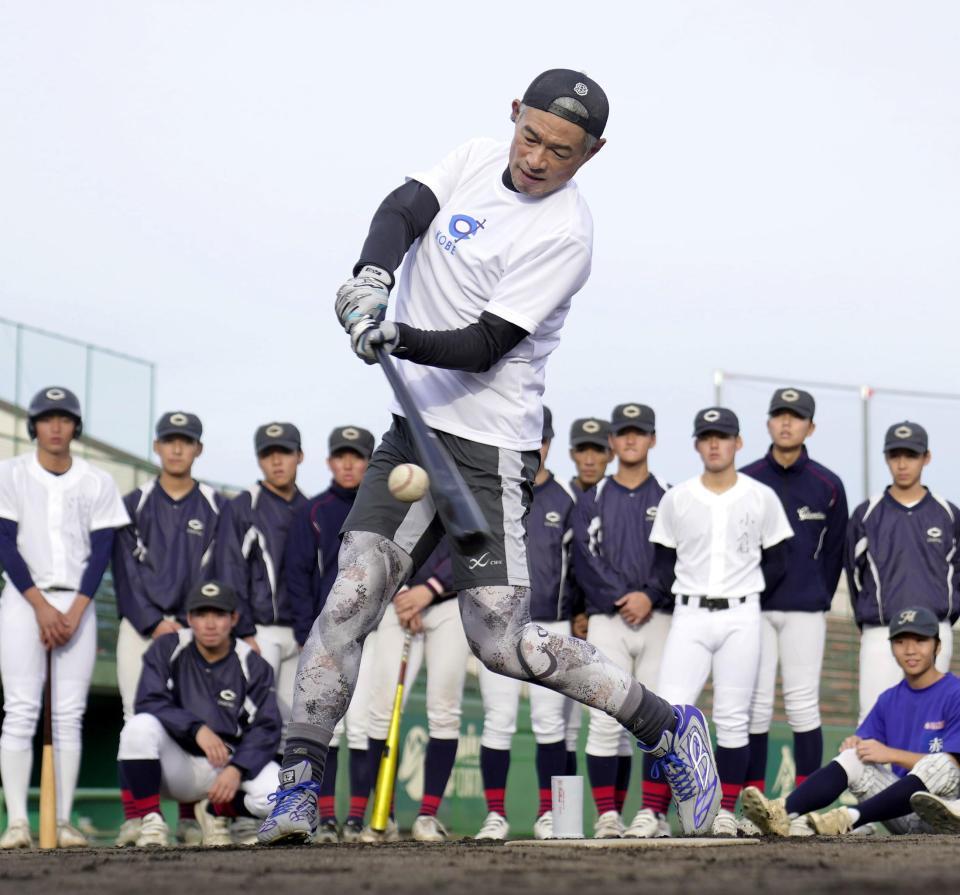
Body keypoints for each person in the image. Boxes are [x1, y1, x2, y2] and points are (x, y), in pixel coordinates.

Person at [258, 68, 721, 847]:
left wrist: (394, 333)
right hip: (414, 431)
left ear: (593, 153)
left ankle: (667, 726)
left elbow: (483, 346)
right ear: (514, 115)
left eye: (562, 151)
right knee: (349, 598)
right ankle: (298, 789)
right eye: (531, 135)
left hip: (491, 448)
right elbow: (400, 209)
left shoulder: (567, 235)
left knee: (503, 642)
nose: (538, 158)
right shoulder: (474, 156)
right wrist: (373, 277)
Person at [650, 407, 793, 837]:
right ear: (696, 443)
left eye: (723, 436)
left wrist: (747, 595)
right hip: (689, 612)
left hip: (741, 613)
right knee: (666, 713)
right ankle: (654, 811)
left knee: (733, 717)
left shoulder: (760, 495)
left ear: (738, 442)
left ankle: (727, 810)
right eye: (707, 436)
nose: (715, 443)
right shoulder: (678, 497)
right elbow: (661, 561)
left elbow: (780, 560)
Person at [0, 387, 128, 849]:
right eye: (47, 418)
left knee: (69, 716)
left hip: (78, 604)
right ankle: (16, 821)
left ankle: (63, 820)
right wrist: (39, 605)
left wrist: (73, 609)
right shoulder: (10, 473)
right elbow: (4, 544)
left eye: (65, 418)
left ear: (76, 426)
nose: (56, 426)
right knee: (20, 711)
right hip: (22, 602)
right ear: (34, 425)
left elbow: (102, 553)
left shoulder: (97, 480)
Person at [742, 606, 960, 836]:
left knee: (943, 763)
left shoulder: (955, 693)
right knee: (853, 756)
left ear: (938, 645)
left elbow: (954, 766)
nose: (910, 650)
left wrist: (890, 754)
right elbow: (862, 748)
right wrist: (855, 744)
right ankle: (782, 813)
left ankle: (852, 818)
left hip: (951, 812)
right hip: (904, 813)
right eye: (900, 641)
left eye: (920, 640)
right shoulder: (889, 699)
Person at [111, 410, 225, 845]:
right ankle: (137, 817)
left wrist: (192, 624)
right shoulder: (132, 503)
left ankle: (190, 818)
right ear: (156, 447)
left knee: (192, 716)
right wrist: (154, 622)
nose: (177, 448)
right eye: (169, 440)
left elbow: (220, 569)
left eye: (186, 440)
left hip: (194, 632)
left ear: (198, 448)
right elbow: (124, 572)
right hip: (141, 630)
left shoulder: (217, 505)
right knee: (134, 720)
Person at [474, 407, 582, 842]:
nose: (534, 446)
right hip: (499, 625)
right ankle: (495, 815)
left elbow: (581, 567)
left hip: (552, 622)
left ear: (549, 443)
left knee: (550, 723)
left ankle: (549, 814)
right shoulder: (493, 490)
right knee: (497, 720)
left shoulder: (565, 499)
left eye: (541, 439)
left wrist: (583, 609)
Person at [739, 389, 847, 812]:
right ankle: (754, 806)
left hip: (805, 609)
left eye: (796, 417)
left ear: (810, 427)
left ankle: (801, 807)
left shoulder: (827, 484)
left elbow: (835, 551)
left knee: (803, 705)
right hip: (756, 609)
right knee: (756, 707)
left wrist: (818, 594)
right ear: (768, 423)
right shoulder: (746, 479)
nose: (787, 423)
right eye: (779, 415)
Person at [115, 581, 282, 847]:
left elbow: (266, 726)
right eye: (202, 615)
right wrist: (196, 728)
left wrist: (238, 769)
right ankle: (151, 820)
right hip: (177, 765)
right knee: (138, 727)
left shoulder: (252, 662)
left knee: (283, 796)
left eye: (219, 614)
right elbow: (149, 700)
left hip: (226, 766)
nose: (210, 623)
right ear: (190, 618)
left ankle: (217, 811)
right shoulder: (168, 647)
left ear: (234, 618)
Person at [572, 403, 671, 839]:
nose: (631, 440)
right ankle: (607, 814)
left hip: (660, 618)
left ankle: (654, 813)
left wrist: (649, 595)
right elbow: (584, 560)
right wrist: (622, 597)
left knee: (659, 719)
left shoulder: (669, 494)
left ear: (652, 439)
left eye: (639, 432)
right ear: (612, 443)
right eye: (624, 433)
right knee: (604, 718)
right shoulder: (591, 497)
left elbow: (676, 557)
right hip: (608, 620)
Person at [284, 425, 378, 843]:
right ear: (328, 461)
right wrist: (308, 633)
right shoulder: (314, 510)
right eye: (341, 455)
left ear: (370, 462)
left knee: (361, 723)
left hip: (374, 629)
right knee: (328, 724)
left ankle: (356, 818)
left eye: (356, 456)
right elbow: (298, 575)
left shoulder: (383, 507)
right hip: (327, 632)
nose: (347, 463)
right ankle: (321, 818)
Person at [845, 421, 960, 722]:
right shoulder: (866, 514)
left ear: (926, 457)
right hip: (881, 632)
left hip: (934, 632)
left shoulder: (947, 514)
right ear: (886, 457)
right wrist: (871, 620)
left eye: (910, 455)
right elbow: (855, 577)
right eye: (895, 455)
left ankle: (923, 773)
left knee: (931, 722)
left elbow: (957, 573)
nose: (902, 463)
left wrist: (943, 621)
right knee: (872, 720)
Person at [364, 539, 468, 843]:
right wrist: (404, 592)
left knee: (445, 710)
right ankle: (385, 816)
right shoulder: (389, 491)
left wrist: (431, 588)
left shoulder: (467, 489)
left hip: (451, 600)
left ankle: (428, 816)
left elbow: (474, 542)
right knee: (382, 710)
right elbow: (378, 541)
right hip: (398, 600)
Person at [216, 422, 308, 726]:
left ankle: (283, 778)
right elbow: (229, 569)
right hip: (260, 632)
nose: (277, 461)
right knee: (252, 719)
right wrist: (243, 631)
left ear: (300, 456)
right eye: (268, 454)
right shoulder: (243, 505)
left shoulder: (311, 508)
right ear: (259, 459)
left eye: (284, 452)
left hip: (300, 637)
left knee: (293, 728)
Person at [569, 418, 612, 494]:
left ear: (611, 455)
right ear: (572, 454)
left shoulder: (625, 500)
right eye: (582, 450)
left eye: (598, 451)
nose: (589, 461)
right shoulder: (556, 498)